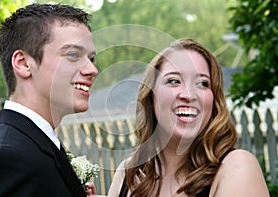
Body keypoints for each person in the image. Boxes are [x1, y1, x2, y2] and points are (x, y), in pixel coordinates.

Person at [108, 38, 269, 197]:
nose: (189, 95)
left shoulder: (236, 167)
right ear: (151, 96)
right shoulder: (127, 174)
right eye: (174, 81)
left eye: (203, 83)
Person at [0, 3, 99, 197]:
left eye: (91, 59)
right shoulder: (7, 159)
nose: (92, 70)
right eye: (73, 55)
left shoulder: (38, 144)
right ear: (24, 63)